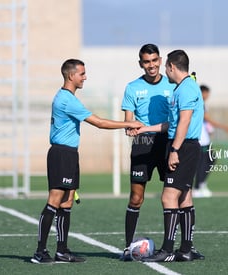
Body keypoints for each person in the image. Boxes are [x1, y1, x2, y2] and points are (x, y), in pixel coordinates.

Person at [30, 58, 143, 264]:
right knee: (54, 201)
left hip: (70, 153)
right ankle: (40, 251)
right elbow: (99, 123)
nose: (85, 77)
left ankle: (62, 250)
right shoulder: (66, 99)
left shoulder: (68, 97)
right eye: (82, 73)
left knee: (67, 202)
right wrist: (129, 123)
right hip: (61, 154)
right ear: (71, 75)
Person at [140, 49, 205, 262]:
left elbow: (184, 122)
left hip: (183, 147)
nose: (164, 70)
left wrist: (175, 150)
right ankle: (187, 248)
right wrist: (143, 129)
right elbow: (173, 123)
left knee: (168, 196)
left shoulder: (186, 89)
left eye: (165, 66)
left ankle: (167, 249)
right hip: (184, 145)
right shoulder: (182, 88)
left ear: (171, 67)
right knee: (184, 196)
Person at [119, 43, 175, 261]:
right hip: (142, 144)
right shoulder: (132, 87)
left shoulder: (173, 86)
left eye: (154, 61)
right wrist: (130, 127)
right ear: (140, 63)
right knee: (136, 197)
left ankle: (171, 247)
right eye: (146, 62)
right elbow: (128, 120)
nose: (151, 66)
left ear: (160, 61)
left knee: (173, 196)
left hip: (167, 144)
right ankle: (127, 246)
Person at [193, 84, 228, 198]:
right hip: (200, 141)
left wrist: (209, 129)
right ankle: (197, 188)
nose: (207, 96)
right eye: (206, 93)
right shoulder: (199, 103)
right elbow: (207, 119)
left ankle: (201, 184)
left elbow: (204, 121)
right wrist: (225, 127)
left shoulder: (202, 104)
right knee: (202, 164)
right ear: (202, 92)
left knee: (210, 160)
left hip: (204, 140)